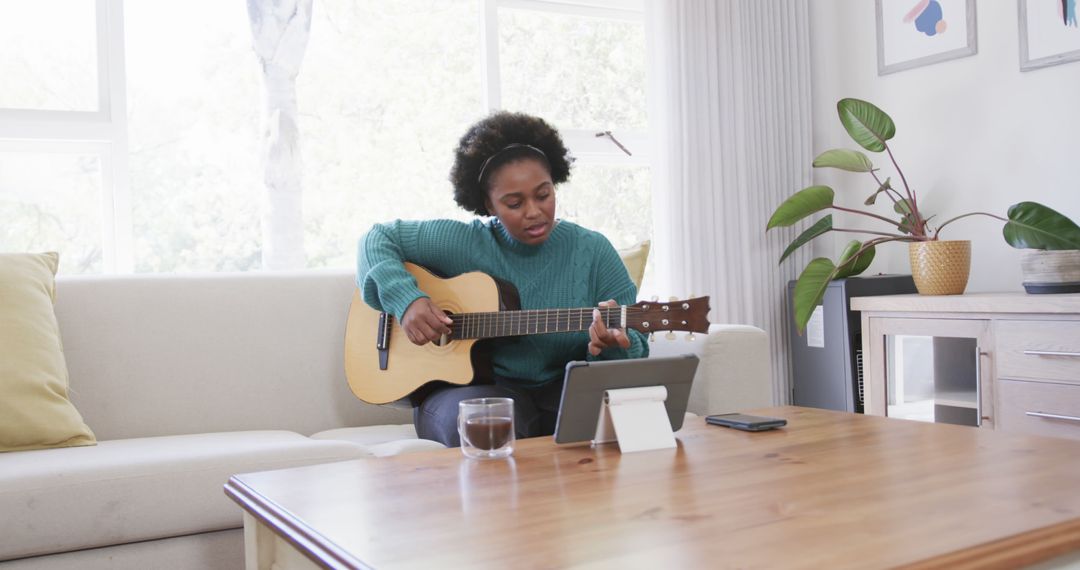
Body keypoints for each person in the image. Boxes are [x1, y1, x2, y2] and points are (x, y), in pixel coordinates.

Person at [356, 111, 648, 447]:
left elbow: (636, 347)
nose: (534, 212)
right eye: (514, 202)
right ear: (488, 205)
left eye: (544, 194)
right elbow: (376, 238)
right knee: (487, 427)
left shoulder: (592, 250)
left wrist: (613, 346)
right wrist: (406, 300)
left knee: (624, 421)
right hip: (470, 391)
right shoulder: (464, 242)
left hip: (561, 387)